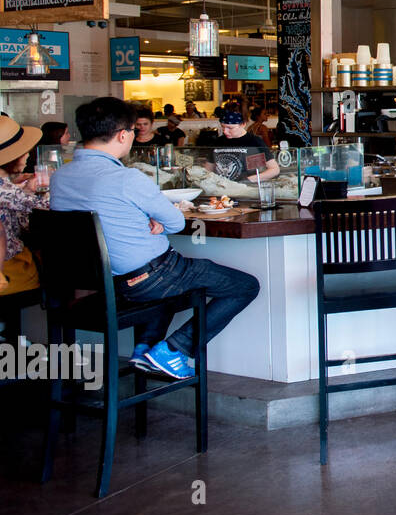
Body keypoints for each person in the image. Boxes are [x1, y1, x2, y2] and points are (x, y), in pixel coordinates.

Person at [50, 97, 260, 379]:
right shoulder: (128, 178)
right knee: (245, 286)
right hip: (146, 280)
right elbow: (174, 222)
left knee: (172, 281)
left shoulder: (60, 178)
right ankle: (174, 350)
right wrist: (155, 220)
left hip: (101, 285)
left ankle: (144, 350)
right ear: (124, 135)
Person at [0, 117, 48, 297]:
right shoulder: (6, 190)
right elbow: (49, 209)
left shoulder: (7, 187)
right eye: (24, 151)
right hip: (13, 270)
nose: (27, 155)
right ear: (11, 157)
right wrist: (36, 190)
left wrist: (25, 190)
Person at [205, 107, 280, 181]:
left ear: (243, 124)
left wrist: (248, 180)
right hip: (222, 189)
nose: (225, 131)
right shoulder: (218, 142)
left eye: (230, 128)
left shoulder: (254, 141)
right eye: (223, 127)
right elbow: (208, 169)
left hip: (246, 188)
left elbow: (274, 169)